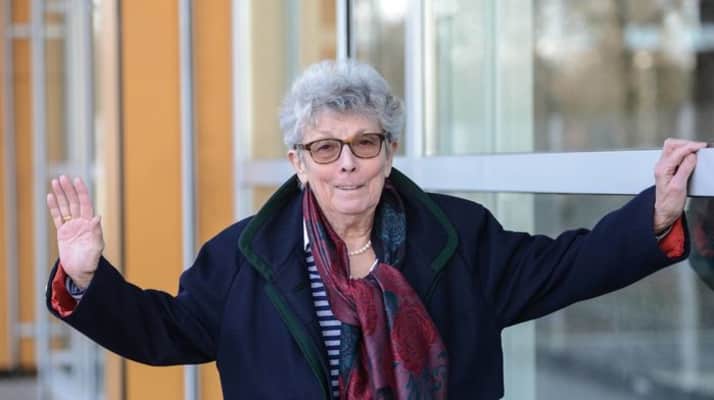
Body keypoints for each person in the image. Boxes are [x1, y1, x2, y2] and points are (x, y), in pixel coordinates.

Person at [46, 59, 707, 399]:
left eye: (365, 143)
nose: (348, 164)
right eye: (325, 148)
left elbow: (566, 267)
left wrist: (654, 213)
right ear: (298, 163)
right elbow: (167, 332)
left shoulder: (457, 237)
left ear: (389, 154)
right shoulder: (244, 257)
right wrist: (85, 279)